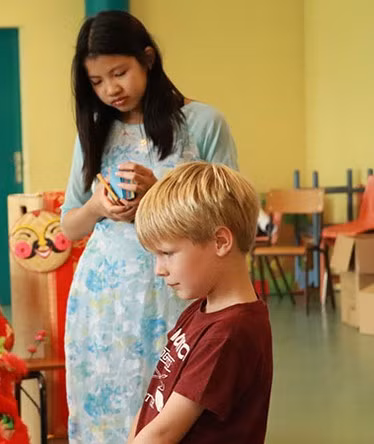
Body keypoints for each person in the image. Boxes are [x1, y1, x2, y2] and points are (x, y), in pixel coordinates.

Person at [61, 10, 239, 442]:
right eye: (97, 82)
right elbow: (69, 226)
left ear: (149, 58)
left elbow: (234, 214)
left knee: (171, 416)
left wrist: (160, 192)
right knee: (107, 411)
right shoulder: (96, 131)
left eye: (119, 73)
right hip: (105, 304)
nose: (110, 90)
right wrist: (100, 207)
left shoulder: (203, 122)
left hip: (178, 296)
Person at [129, 161, 272, 443]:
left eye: (167, 253)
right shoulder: (200, 309)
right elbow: (155, 399)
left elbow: (163, 433)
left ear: (220, 241)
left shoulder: (228, 334)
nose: (159, 269)